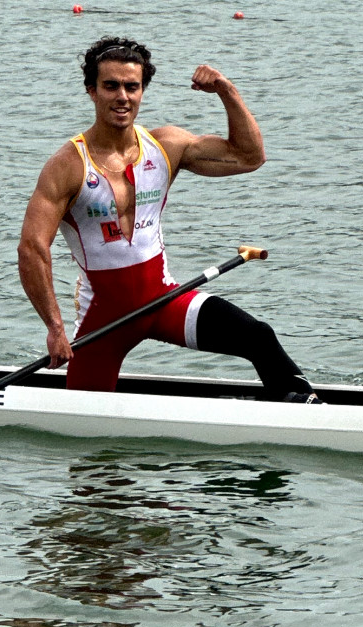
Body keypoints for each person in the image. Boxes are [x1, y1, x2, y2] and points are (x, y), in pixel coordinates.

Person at [17, 36, 318, 402]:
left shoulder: (166, 147)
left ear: (143, 90)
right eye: (110, 86)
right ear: (91, 91)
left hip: (163, 302)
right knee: (89, 443)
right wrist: (55, 328)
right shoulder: (67, 166)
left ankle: (303, 407)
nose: (122, 97)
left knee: (257, 336)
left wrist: (226, 91)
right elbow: (32, 248)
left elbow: (249, 157)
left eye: (132, 86)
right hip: (104, 322)